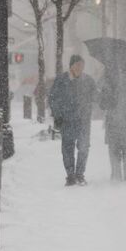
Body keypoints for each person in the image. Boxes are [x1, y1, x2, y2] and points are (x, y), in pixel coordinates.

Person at [49, 54, 97, 186]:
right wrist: (58, 115)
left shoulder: (88, 81)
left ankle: (80, 174)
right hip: (67, 120)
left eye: (82, 65)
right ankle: (70, 175)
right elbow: (53, 98)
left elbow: (96, 96)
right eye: (77, 65)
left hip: (83, 121)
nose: (80, 68)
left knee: (84, 147)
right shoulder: (61, 80)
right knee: (67, 148)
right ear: (71, 66)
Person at [99, 69, 126, 182]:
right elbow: (103, 104)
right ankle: (117, 180)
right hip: (113, 124)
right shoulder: (108, 84)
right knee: (115, 154)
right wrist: (107, 93)